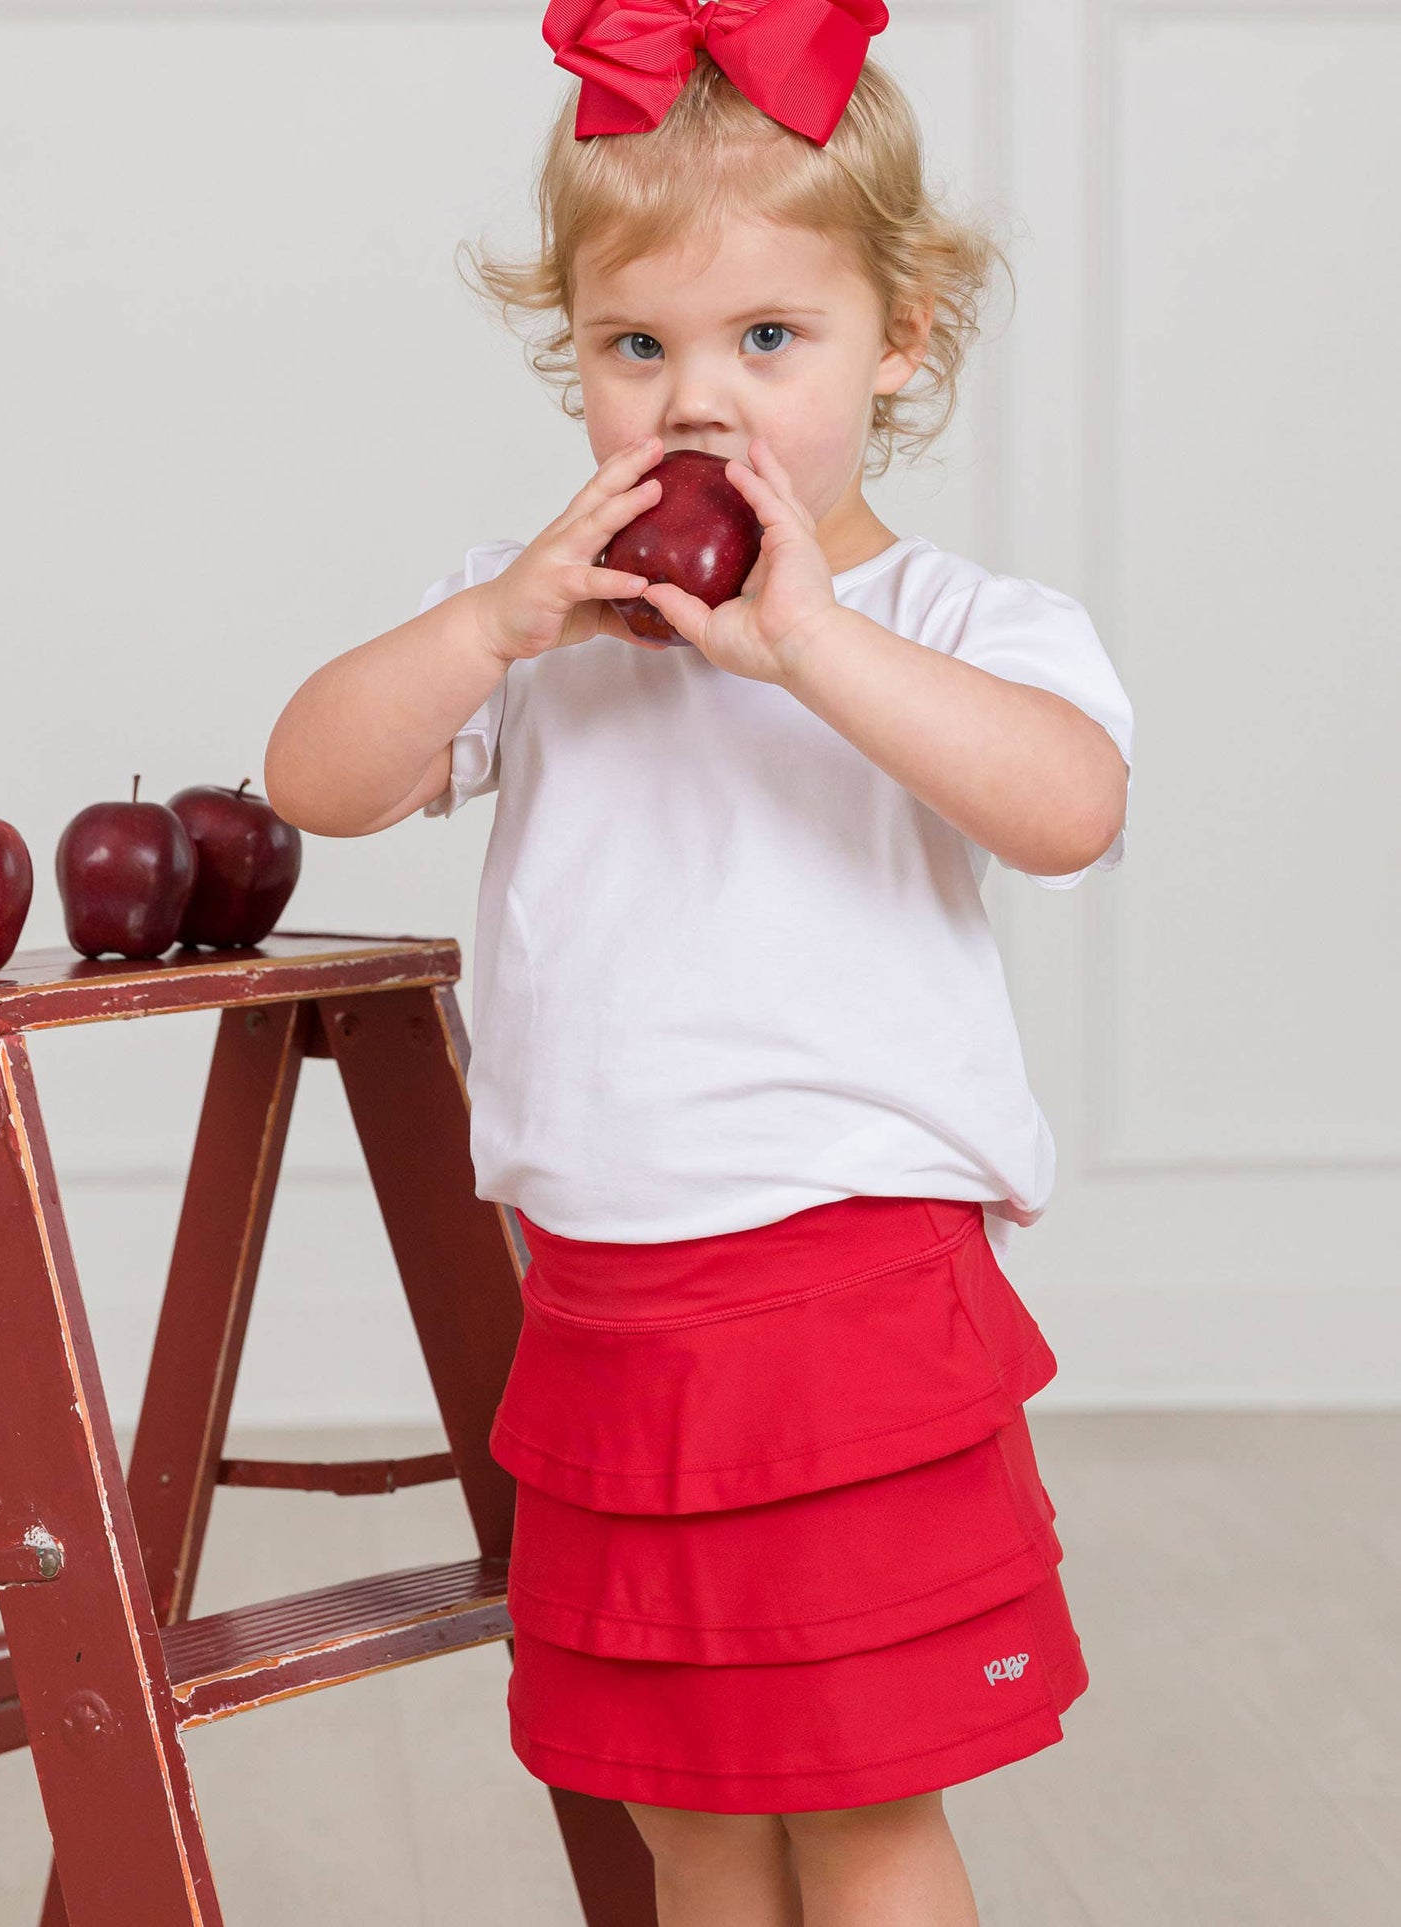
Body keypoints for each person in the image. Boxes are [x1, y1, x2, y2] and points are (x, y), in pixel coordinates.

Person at [265, 3, 1135, 1920]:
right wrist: (492, 626)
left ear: (901, 339)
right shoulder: (545, 623)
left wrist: (809, 645)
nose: (696, 404)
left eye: (769, 338)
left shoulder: (942, 622)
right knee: (683, 1812)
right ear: (568, 354)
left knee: (865, 1804)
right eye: (632, 347)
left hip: (847, 1299)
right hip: (599, 1312)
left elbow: (1066, 806)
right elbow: (317, 780)